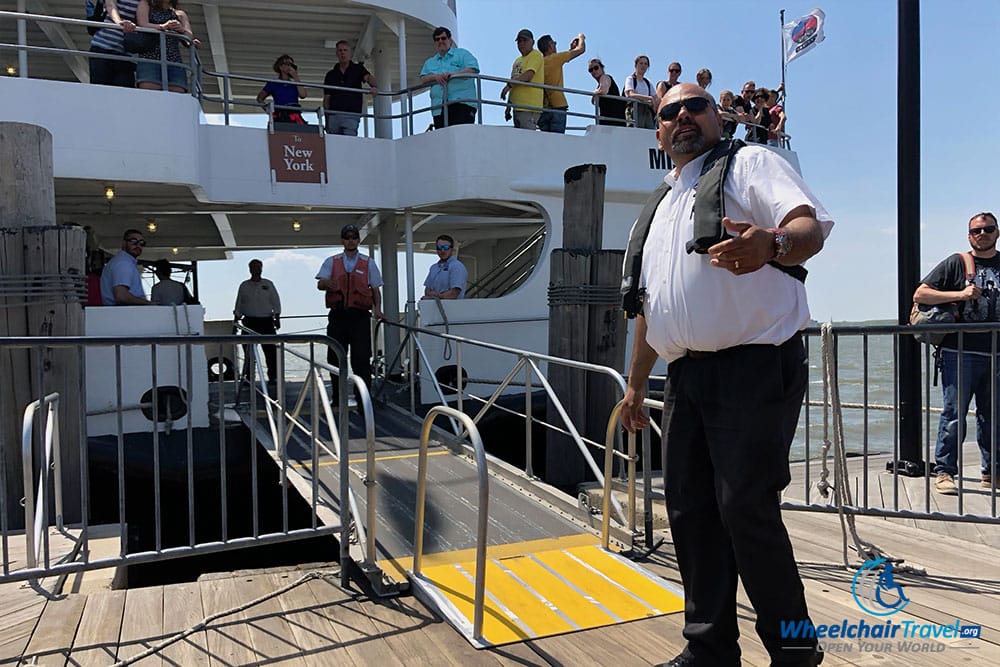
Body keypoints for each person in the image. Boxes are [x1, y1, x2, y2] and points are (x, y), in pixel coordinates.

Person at [620, 83, 833, 666]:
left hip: (754, 364)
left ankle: (794, 650)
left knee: (747, 509)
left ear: (719, 117)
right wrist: (638, 384)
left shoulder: (753, 163)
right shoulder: (661, 204)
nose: (682, 117)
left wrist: (774, 245)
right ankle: (710, 649)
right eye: (670, 112)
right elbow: (649, 306)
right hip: (685, 377)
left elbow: (808, 230)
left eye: (696, 106)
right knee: (689, 511)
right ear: (658, 130)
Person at [913, 212, 1000, 494]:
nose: (982, 234)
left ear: (997, 232)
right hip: (959, 351)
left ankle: (992, 473)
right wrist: (960, 295)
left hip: (996, 353)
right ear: (969, 236)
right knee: (953, 414)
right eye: (977, 230)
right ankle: (945, 472)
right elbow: (921, 294)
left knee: (994, 415)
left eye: (988, 229)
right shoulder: (956, 263)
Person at [316, 224, 384, 398]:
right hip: (338, 316)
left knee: (361, 360)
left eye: (354, 237)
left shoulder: (369, 263)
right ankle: (338, 398)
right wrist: (327, 283)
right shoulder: (332, 261)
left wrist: (378, 310)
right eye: (347, 237)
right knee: (335, 358)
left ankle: (363, 400)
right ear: (342, 240)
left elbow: (375, 290)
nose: (351, 240)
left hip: (359, 317)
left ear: (358, 240)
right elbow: (320, 283)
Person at [419, 27, 480, 129]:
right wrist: (435, 77)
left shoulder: (462, 54)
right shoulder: (430, 62)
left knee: (461, 137)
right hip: (438, 107)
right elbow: (423, 79)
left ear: (450, 40)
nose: (440, 41)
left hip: (461, 103)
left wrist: (452, 75)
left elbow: (473, 69)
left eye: (443, 38)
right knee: (443, 141)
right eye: (437, 39)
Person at [234, 259, 281, 383]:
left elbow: (275, 301)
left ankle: (273, 376)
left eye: (258, 267)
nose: (256, 269)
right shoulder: (244, 285)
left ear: (262, 268)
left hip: (266, 322)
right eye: (254, 267)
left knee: (271, 352)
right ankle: (249, 378)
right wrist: (235, 322)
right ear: (250, 269)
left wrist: (277, 318)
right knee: (249, 353)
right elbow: (239, 304)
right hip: (249, 322)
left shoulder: (268, 284)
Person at [135, 0, 193, 93]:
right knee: (149, 94)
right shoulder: (146, 4)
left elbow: (189, 36)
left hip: (174, 61)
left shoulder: (180, 14)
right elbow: (143, 24)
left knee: (176, 95)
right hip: (150, 59)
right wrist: (163, 27)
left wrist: (181, 30)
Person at [323, 41, 377, 136]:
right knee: (335, 147)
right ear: (336, 53)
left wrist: (374, 87)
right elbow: (327, 99)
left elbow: (368, 78)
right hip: (333, 116)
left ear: (350, 53)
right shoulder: (331, 74)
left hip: (351, 114)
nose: (342, 53)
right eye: (340, 50)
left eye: (345, 50)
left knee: (349, 143)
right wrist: (327, 120)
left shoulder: (358, 69)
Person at [536, 32, 586, 134]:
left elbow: (559, 61)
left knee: (545, 142)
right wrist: (581, 37)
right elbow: (581, 49)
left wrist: (570, 49)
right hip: (557, 105)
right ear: (550, 45)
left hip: (542, 108)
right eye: (554, 43)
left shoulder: (539, 63)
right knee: (557, 141)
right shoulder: (556, 58)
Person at [500, 29, 544, 130]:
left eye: (525, 40)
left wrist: (508, 86)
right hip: (517, 107)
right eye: (519, 41)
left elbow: (529, 75)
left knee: (527, 139)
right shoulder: (517, 61)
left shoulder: (535, 54)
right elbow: (514, 82)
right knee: (520, 140)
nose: (521, 43)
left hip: (529, 107)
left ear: (532, 42)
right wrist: (508, 106)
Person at [88, 0, 139, 87]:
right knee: (100, 89)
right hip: (102, 47)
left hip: (126, 54)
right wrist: (120, 23)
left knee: (124, 91)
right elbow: (111, 6)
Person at [101, 229, 154, 305]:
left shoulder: (123, 261)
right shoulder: (124, 263)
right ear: (124, 243)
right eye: (133, 241)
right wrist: (149, 304)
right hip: (124, 313)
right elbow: (121, 296)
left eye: (142, 243)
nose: (138, 245)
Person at [257, 54, 307, 124]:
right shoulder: (273, 83)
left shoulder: (295, 83)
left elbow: (303, 95)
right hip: (280, 115)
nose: (290, 67)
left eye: (292, 65)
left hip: (294, 115)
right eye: (287, 64)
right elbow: (260, 98)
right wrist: (269, 110)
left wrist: (296, 76)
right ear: (280, 67)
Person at [422, 235, 468, 299]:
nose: (442, 250)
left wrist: (436, 296)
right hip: (434, 307)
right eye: (439, 247)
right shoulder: (433, 268)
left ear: (452, 249)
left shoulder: (457, 267)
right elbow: (427, 291)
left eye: (446, 247)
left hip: (452, 308)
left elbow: (454, 293)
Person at [588, 59, 626, 127]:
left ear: (602, 68)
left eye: (596, 68)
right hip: (610, 121)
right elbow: (593, 102)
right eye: (590, 70)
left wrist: (595, 93)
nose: (593, 71)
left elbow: (603, 91)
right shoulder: (599, 85)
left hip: (613, 121)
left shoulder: (604, 77)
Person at [624, 55, 657, 129]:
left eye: (646, 64)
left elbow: (656, 98)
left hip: (646, 110)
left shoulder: (647, 83)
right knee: (635, 132)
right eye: (641, 63)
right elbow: (630, 94)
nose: (643, 66)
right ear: (635, 65)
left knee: (649, 133)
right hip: (635, 109)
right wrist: (649, 98)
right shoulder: (630, 79)